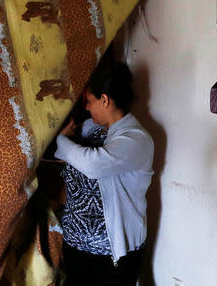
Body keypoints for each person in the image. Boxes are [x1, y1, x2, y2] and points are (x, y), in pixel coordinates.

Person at [55, 62, 154, 286]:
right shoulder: (92, 129)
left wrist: (63, 141)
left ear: (105, 100)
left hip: (110, 256)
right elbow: (70, 159)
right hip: (75, 246)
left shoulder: (136, 140)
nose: (87, 108)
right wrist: (68, 144)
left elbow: (93, 164)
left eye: (89, 101)